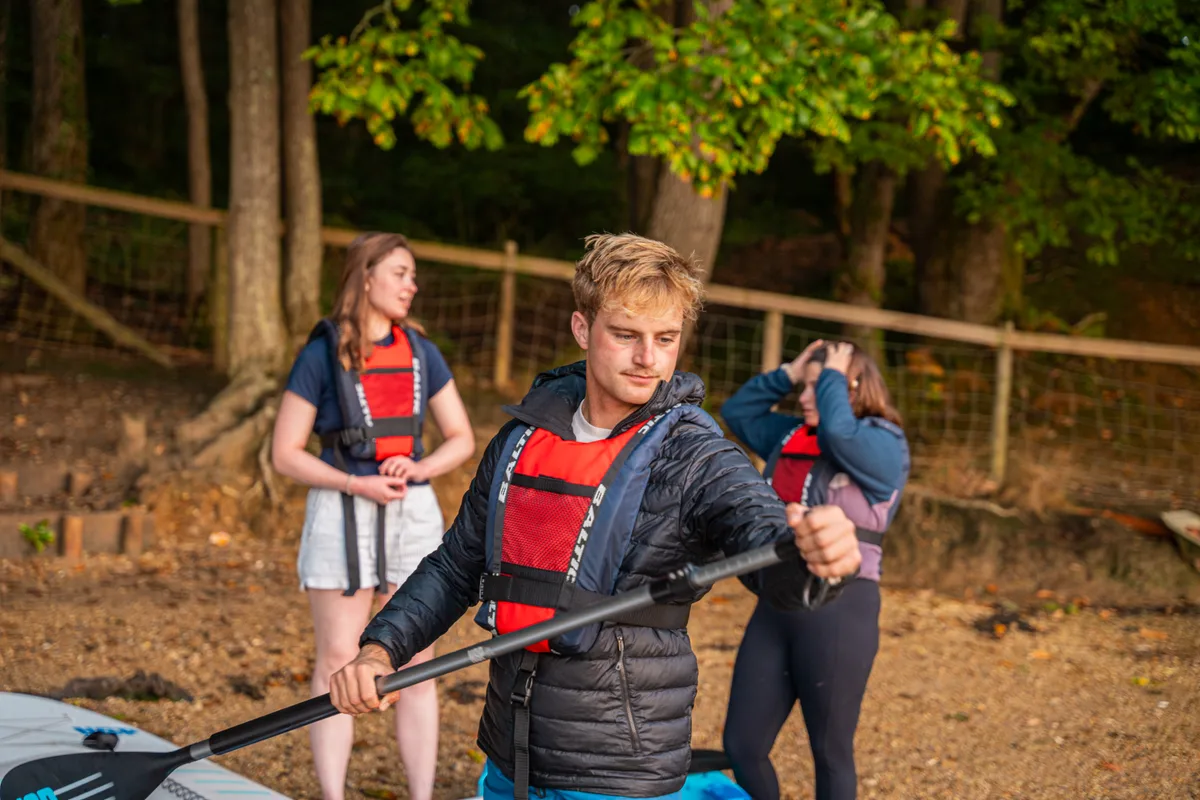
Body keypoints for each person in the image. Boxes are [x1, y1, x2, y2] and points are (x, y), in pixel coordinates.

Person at [326, 233, 864, 800]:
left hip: (619, 772)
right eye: (626, 335)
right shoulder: (520, 439)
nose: (647, 358)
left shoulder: (696, 455)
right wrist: (380, 647)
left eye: (666, 338)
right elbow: (457, 564)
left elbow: (762, 537)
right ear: (582, 329)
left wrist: (814, 560)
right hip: (509, 753)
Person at [271, 232, 476, 800]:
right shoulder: (321, 353)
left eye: (413, 275)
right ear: (365, 276)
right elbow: (284, 452)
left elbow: (460, 437)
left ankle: (421, 795)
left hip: (411, 510)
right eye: (401, 273)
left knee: (417, 661)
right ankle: (333, 795)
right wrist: (353, 481)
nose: (412, 285)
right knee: (339, 657)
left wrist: (419, 466)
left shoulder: (421, 353)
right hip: (342, 507)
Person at [719, 339, 910, 800]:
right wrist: (789, 372)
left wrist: (831, 379)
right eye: (803, 389)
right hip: (778, 600)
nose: (803, 398)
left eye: (815, 389)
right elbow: (738, 412)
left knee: (829, 751)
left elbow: (842, 437)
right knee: (742, 746)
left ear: (852, 386)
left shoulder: (885, 441)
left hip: (844, 605)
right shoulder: (791, 435)